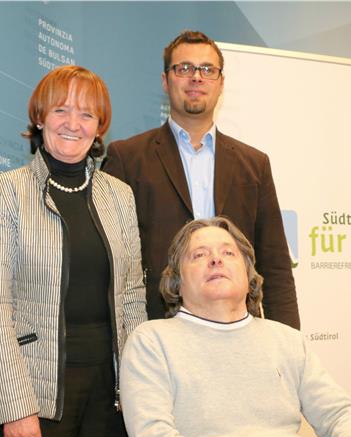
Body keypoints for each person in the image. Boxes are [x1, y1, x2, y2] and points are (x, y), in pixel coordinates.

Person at [0, 65, 146, 437]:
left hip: (113, 395)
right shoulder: (3, 194)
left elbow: (132, 298)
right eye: (62, 110)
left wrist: (142, 392)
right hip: (35, 393)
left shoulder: (120, 197)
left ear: (100, 127)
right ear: (40, 117)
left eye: (87, 114)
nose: (73, 123)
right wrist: (16, 407)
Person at [120, 217, 351, 437]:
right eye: (199, 255)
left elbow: (342, 413)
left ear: (248, 274)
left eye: (228, 252)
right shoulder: (151, 342)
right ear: (176, 281)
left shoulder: (286, 340)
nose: (215, 259)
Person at [102, 30, 299, 328]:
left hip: (239, 330)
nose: (196, 77)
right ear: (165, 81)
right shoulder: (127, 158)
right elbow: (111, 263)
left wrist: (289, 342)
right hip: (156, 328)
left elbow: (276, 266)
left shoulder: (254, 165)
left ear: (221, 83)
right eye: (184, 68)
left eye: (207, 69)